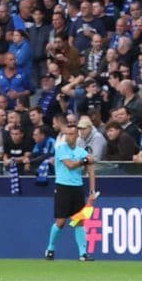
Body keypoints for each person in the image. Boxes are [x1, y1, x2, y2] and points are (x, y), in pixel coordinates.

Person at [42, 111, 95, 262]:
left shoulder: (81, 151)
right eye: (67, 134)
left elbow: (91, 171)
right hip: (63, 187)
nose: (69, 136)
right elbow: (70, 165)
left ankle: (83, 253)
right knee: (61, 221)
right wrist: (85, 161)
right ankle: (50, 248)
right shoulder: (61, 149)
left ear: (77, 135)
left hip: (77, 187)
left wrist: (92, 191)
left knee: (80, 220)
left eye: (72, 134)